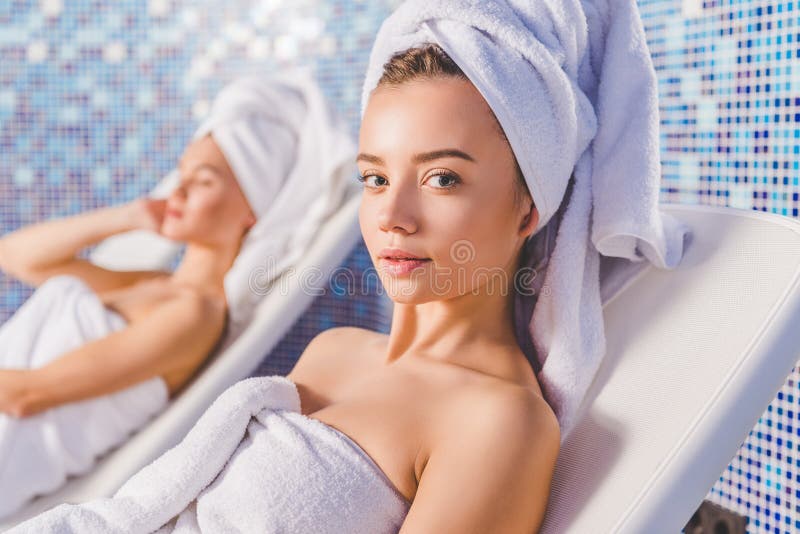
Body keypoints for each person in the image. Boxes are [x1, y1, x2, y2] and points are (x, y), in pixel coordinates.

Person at [0, 68, 355, 520]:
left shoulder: (194, 316)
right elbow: (16, 257)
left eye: (203, 180)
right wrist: (128, 216)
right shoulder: (150, 284)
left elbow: (26, 396)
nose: (178, 189)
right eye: (181, 173)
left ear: (253, 211)